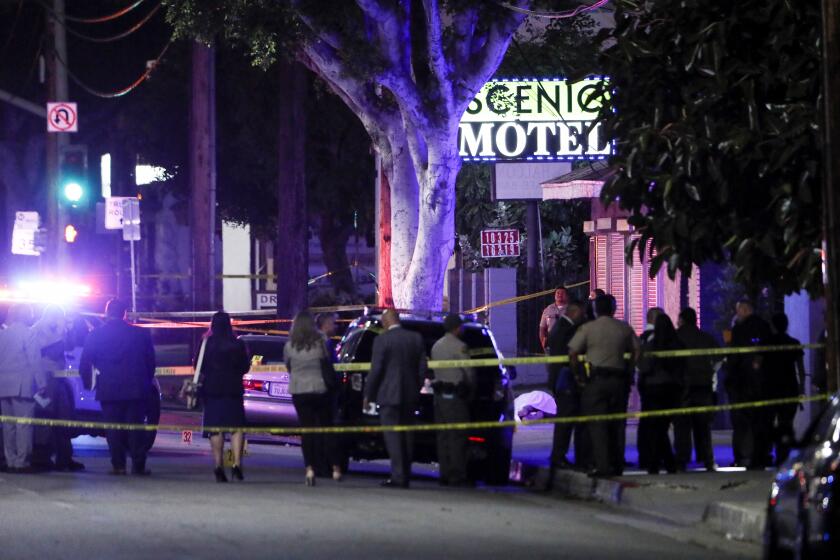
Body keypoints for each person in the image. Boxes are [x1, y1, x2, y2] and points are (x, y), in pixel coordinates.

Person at [79, 299, 156, 476]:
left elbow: (84, 364)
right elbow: (151, 362)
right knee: (136, 429)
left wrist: (89, 384)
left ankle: (118, 466)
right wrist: (145, 381)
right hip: (136, 390)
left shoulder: (95, 335)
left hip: (108, 390)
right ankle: (138, 466)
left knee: (113, 430)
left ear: (106, 314)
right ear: (125, 313)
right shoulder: (141, 334)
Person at [568, 294, 640, 477]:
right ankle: (618, 465)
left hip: (596, 381)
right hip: (619, 380)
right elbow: (637, 350)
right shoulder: (624, 328)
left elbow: (573, 352)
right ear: (613, 309)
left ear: (595, 309)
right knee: (618, 424)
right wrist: (629, 369)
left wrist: (578, 375)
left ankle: (603, 466)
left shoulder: (588, 328)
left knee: (597, 425)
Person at [364, 309, 428, 488]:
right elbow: (423, 367)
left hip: (388, 396)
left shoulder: (382, 340)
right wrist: (416, 387)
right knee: (407, 436)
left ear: (385, 322)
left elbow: (376, 370)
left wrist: (369, 394)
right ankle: (405, 474)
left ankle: (398, 476)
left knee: (392, 437)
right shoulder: (415, 338)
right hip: (410, 395)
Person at [284, 311, 343, 486]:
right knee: (326, 429)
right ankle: (335, 468)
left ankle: (310, 469)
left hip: (300, 392)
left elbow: (289, 367)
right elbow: (327, 364)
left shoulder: (289, 346)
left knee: (307, 431)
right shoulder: (320, 344)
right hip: (319, 389)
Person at [197, 311, 251, 483]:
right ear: (229, 324)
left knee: (216, 428)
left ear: (212, 325)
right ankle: (236, 464)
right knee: (236, 428)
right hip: (234, 389)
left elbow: (199, 366)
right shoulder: (238, 344)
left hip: (212, 389)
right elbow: (245, 367)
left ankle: (218, 465)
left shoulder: (207, 343)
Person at [30, 305, 84, 472]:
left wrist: (71, 329)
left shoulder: (58, 327)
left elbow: (69, 347)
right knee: (44, 417)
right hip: (45, 379)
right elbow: (50, 352)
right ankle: (41, 458)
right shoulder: (38, 329)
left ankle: (64, 457)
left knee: (64, 417)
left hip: (59, 379)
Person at [725, 298, 773, 469]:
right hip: (761, 384)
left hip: (742, 384)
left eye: (739, 310)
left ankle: (743, 456)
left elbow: (734, 357)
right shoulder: (764, 327)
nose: (737, 314)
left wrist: (730, 380)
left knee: (742, 423)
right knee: (760, 421)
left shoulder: (740, 329)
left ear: (745, 310)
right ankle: (761, 455)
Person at [429, 314, 476, 486]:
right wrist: (471, 389)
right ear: (456, 328)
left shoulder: (436, 346)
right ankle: (457, 474)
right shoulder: (460, 346)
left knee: (443, 437)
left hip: (439, 395)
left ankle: (444, 472)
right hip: (455, 396)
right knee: (457, 436)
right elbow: (469, 372)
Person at [637, 314, 684, 474]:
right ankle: (666, 463)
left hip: (653, 389)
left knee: (656, 428)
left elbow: (644, 366)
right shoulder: (678, 344)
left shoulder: (652, 344)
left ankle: (657, 463)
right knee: (661, 427)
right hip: (672, 390)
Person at [0, 304, 43, 474]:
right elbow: (34, 360)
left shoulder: (2, 334)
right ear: (26, 315)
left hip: (3, 386)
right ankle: (22, 461)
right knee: (23, 425)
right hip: (22, 386)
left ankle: (10, 459)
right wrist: (42, 383)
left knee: (8, 425)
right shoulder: (29, 333)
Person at [674, 307, 719, 472]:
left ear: (682, 320)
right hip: (703, 386)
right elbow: (719, 357)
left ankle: (681, 460)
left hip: (682, 388)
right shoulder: (705, 337)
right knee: (703, 427)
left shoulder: (676, 337)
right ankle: (707, 460)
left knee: (682, 426)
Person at [546, 301, 587, 470]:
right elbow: (571, 354)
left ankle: (560, 456)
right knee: (565, 422)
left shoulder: (559, 326)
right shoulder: (566, 330)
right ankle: (558, 457)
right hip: (565, 382)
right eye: (582, 313)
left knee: (566, 420)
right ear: (575, 312)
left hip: (561, 380)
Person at [766, 313, 805, 465]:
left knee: (769, 423)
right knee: (786, 423)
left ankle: (770, 453)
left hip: (771, 389)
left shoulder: (767, 343)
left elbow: (758, 365)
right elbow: (801, 370)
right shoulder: (794, 343)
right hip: (790, 388)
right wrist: (801, 389)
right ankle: (784, 455)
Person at [636, 307, 664, 472]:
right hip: (655, 383)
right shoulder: (656, 338)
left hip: (645, 382)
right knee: (656, 422)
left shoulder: (642, 337)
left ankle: (647, 456)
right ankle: (654, 457)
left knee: (647, 421)